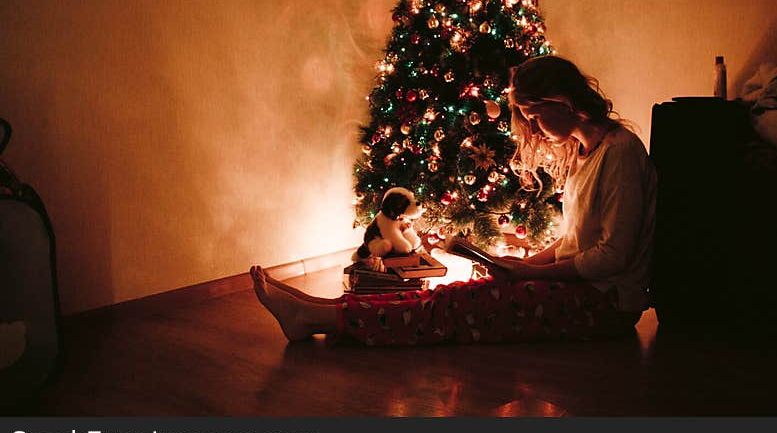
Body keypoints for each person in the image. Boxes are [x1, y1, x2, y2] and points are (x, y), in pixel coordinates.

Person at [251, 55, 657, 345]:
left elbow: (612, 256)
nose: (533, 127)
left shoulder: (620, 152)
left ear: (561, 101)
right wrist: (521, 265)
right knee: (455, 293)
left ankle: (320, 317)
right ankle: (319, 309)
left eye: (535, 115)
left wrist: (531, 275)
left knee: (454, 306)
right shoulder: (582, 151)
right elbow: (574, 240)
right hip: (582, 291)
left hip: (606, 304)